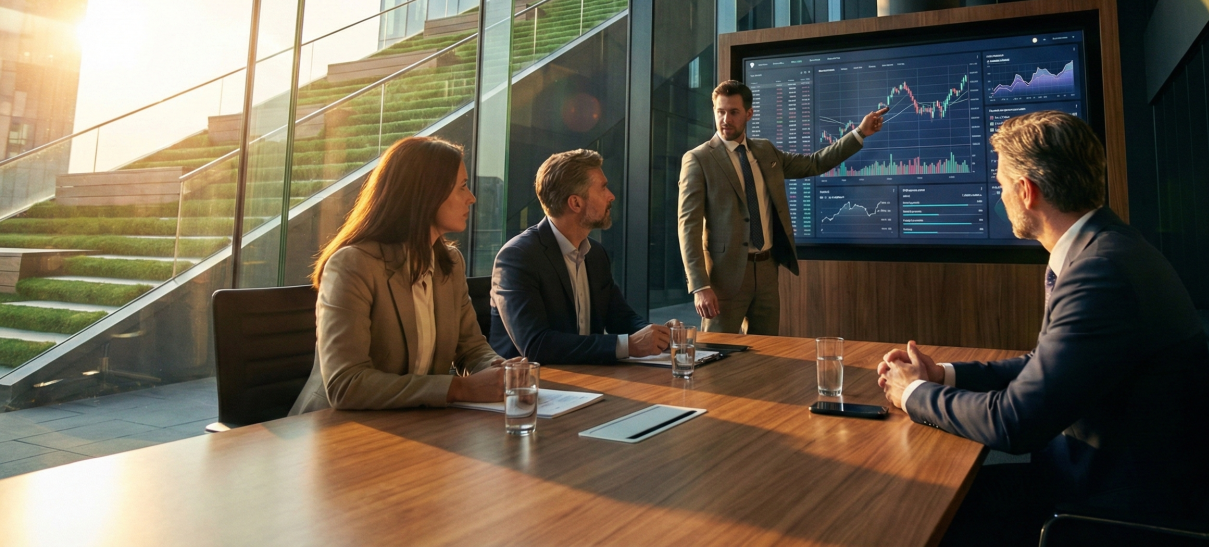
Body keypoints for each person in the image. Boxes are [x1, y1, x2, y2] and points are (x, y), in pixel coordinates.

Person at [876, 111, 1209, 545]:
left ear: (1027, 192)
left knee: (922, 515)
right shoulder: (1107, 247)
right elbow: (1042, 366)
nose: (1000, 196)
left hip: (1119, 511)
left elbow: (1015, 423)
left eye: (1001, 186)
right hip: (1118, 479)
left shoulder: (1100, 272)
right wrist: (943, 375)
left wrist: (912, 394)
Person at [290, 137, 512, 415]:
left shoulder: (450, 263)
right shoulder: (353, 265)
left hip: (412, 423)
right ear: (425, 194)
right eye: (462, 187)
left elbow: (471, 348)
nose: (472, 198)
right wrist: (458, 388)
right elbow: (346, 384)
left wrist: (502, 371)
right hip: (336, 432)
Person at [677, 79, 887, 334]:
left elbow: (814, 163)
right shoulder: (698, 159)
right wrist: (700, 286)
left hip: (767, 270)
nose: (725, 119)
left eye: (733, 112)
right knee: (718, 358)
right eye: (720, 112)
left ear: (749, 113)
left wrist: (860, 133)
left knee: (768, 357)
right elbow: (688, 227)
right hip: (725, 278)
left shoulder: (765, 151)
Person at [490, 149, 670, 364]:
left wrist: (658, 335)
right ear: (575, 203)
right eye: (603, 188)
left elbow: (621, 318)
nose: (611, 196)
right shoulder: (518, 257)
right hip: (536, 387)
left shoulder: (596, 254)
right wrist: (628, 345)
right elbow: (536, 345)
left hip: (588, 379)